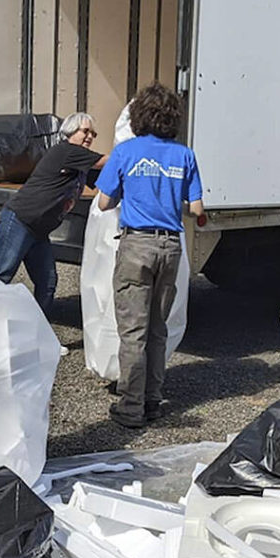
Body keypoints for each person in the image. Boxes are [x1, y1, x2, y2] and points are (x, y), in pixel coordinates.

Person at [96, 83, 204, 428]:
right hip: (169, 247)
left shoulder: (126, 152)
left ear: (139, 116)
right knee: (158, 329)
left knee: (133, 332)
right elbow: (197, 208)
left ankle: (130, 407)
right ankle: (153, 400)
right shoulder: (184, 155)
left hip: (136, 246)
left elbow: (103, 202)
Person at [0, 112, 107, 316]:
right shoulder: (67, 150)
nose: (90, 137)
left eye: (94, 134)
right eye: (86, 131)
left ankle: (38, 334)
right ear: (71, 131)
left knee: (48, 282)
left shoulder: (80, 162)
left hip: (39, 230)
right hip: (20, 220)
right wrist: (134, 154)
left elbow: (104, 181)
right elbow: (107, 162)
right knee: (1, 275)